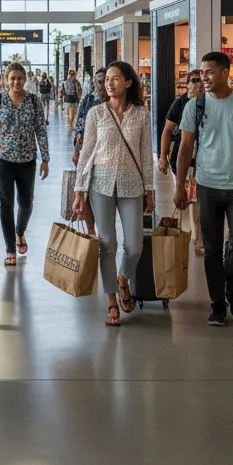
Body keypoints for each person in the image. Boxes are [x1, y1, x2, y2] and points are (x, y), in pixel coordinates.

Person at [173, 51, 233, 327]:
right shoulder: (195, 106)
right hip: (207, 186)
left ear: (226, 72)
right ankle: (217, 304)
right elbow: (186, 147)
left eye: (210, 72)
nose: (204, 78)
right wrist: (179, 185)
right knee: (211, 249)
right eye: (201, 73)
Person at [73, 62, 154, 327]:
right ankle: (111, 302)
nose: (109, 83)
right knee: (107, 245)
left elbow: (145, 155)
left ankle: (122, 278)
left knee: (134, 245)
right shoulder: (96, 113)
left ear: (128, 83)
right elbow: (86, 153)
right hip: (100, 184)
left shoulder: (142, 114)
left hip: (132, 184)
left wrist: (150, 189)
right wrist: (78, 190)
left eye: (115, 79)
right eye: (107, 79)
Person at [0, 63, 50, 267]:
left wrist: (45, 158)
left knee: (26, 203)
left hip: (27, 159)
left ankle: (20, 231)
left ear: (25, 79)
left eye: (20, 78)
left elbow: (40, 130)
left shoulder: (34, 101)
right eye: (12, 78)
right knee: (6, 203)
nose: (16, 82)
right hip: (3, 159)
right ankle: (10, 249)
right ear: (5, 79)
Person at [158, 69, 205, 255]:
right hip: (182, 159)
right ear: (187, 84)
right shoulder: (180, 104)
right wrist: (162, 156)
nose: (198, 84)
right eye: (194, 80)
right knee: (184, 200)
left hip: (203, 160)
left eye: (201, 80)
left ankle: (199, 239)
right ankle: (181, 236)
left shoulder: (210, 103)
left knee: (197, 201)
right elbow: (167, 130)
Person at [71, 65, 107, 237]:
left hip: (107, 156)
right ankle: (92, 232)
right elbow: (79, 127)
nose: (101, 85)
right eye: (98, 81)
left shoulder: (114, 103)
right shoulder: (88, 100)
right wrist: (76, 151)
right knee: (85, 193)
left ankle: (104, 230)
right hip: (87, 152)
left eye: (104, 81)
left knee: (102, 196)